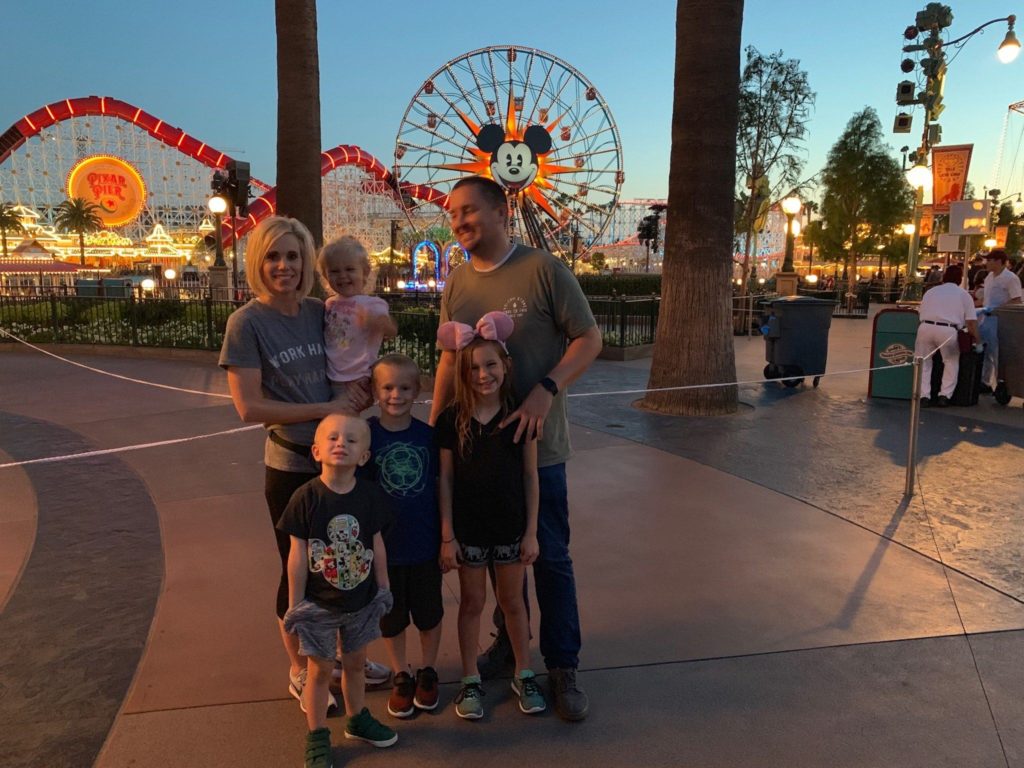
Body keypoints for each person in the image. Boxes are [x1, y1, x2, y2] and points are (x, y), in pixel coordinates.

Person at [428, 175, 603, 722]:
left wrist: (546, 390)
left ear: (501, 211)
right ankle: (511, 647)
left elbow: (589, 338)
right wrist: (433, 432)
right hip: (477, 456)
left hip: (536, 451)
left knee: (548, 556)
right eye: (452, 214)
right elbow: (449, 360)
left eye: (467, 210)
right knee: (496, 561)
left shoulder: (544, 270)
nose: (458, 222)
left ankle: (563, 664)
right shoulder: (457, 282)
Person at [218, 217, 388, 717]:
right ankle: (301, 668)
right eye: (273, 256)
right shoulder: (247, 323)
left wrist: (367, 391)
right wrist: (323, 411)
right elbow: (249, 407)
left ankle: (347, 660)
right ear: (258, 261)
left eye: (293, 256)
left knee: (347, 562)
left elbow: (358, 356)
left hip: (342, 463)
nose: (284, 266)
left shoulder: (321, 311)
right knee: (297, 567)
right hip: (293, 464)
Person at [435, 312, 545, 719]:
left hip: (510, 527)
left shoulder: (520, 415)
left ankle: (524, 672)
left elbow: (530, 476)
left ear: (505, 365)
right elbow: (446, 480)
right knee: (472, 603)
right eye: (474, 368)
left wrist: (531, 531)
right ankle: (470, 679)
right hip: (469, 530)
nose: (483, 375)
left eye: (490, 365)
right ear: (463, 374)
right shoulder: (452, 420)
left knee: (513, 602)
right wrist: (448, 535)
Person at [278, 414, 397, 768]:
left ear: (364, 456)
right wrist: (295, 604)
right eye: (332, 438)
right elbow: (296, 555)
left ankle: (357, 718)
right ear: (316, 451)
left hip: (361, 602)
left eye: (351, 439)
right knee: (319, 671)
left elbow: (377, 544)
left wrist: (384, 588)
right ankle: (316, 735)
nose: (341, 443)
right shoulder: (306, 497)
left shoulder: (370, 496)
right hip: (319, 605)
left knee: (356, 664)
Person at [362, 354, 443, 718]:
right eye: (388, 387)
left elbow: (440, 487)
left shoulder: (427, 437)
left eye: (405, 388)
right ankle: (400, 674)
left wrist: (446, 537)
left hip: (424, 544)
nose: (396, 395)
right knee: (391, 617)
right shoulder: (366, 436)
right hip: (385, 550)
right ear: (375, 391)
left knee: (429, 613)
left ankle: (428, 670)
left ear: (418, 390)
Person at [318, 235, 397, 408]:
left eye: (349, 269)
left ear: (365, 271)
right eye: (334, 271)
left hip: (357, 376)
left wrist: (376, 322)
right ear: (325, 275)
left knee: (342, 417)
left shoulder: (373, 304)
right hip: (331, 375)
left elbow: (391, 330)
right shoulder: (330, 303)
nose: (342, 276)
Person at [914, 265, 980, 407]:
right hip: (948, 330)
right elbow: (971, 322)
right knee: (950, 362)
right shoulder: (964, 295)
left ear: (944, 277)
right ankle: (944, 395)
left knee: (924, 362)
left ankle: (924, 396)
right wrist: (977, 339)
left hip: (925, 327)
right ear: (960, 278)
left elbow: (921, 311)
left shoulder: (931, 292)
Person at [976, 249, 1023, 393]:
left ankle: (1000, 385)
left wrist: (998, 308)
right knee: (985, 351)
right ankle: (984, 381)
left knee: (998, 354)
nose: (986, 263)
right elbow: (987, 298)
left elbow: (1017, 299)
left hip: (1001, 320)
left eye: (989, 260)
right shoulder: (989, 277)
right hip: (986, 319)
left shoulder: (1010, 278)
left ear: (998, 261)